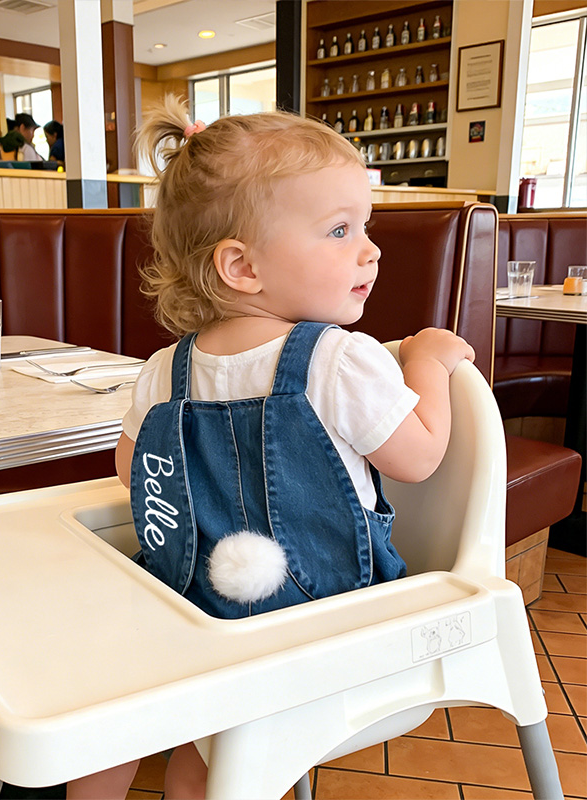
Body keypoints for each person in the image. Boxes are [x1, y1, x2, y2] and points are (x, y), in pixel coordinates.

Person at [67, 95, 474, 799]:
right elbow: (419, 458)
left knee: (116, 707)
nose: (370, 250)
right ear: (242, 267)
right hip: (324, 620)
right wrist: (430, 365)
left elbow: (135, 471)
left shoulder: (166, 368)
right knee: (227, 742)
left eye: (365, 227)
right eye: (340, 230)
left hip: (195, 611)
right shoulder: (340, 359)